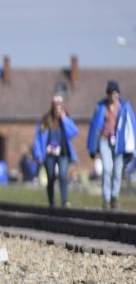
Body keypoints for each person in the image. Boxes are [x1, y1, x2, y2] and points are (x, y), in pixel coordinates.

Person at [86, 80, 136, 210]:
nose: (112, 96)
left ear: (118, 94)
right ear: (107, 94)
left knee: (117, 171)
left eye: (114, 93)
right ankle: (106, 199)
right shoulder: (101, 106)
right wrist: (92, 147)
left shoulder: (125, 107)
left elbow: (131, 127)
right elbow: (94, 127)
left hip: (120, 143)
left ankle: (115, 197)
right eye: (110, 93)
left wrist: (131, 148)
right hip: (105, 140)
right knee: (107, 169)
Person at [32, 95, 78, 208]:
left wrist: (64, 119)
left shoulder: (66, 119)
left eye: (60, 108)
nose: (58, 111)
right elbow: (37, 138)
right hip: (49, 155)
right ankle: (52, 202)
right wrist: (38, 155)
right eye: (56, 108)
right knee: (51, 178)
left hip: (63, 154)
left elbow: (73, 132)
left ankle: (64, 201)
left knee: (63, 176)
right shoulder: (45, 122)